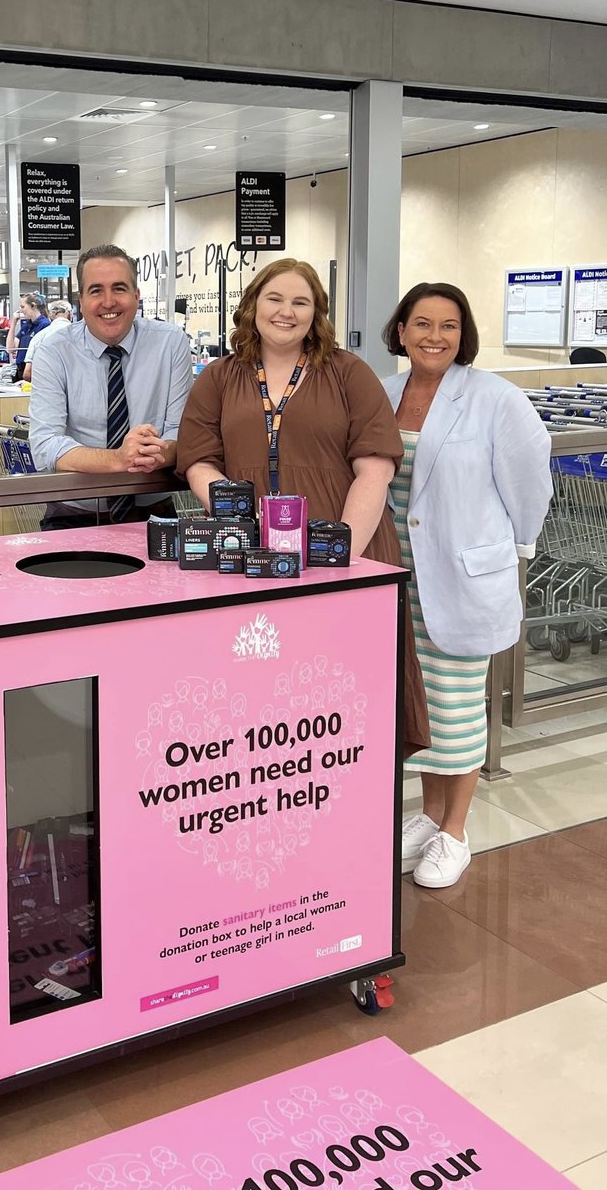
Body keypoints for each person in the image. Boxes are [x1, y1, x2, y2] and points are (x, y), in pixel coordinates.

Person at [176, 257, 430, 757]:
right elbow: (198, 461)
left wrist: (340, 555)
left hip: (349, 548)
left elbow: (376, 466)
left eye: (301, 302)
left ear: (318, 313)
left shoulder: (347, 373)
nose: (286, 312)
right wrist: (239, 518)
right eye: (274, 299)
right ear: (252, 306)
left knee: (347, 690)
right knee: (261, 691)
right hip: (250, 556)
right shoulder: (220, 378)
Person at [381, 282, 552, 889]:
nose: (434, 336)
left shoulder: (496, 400)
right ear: (400, 330)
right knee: (419, 706)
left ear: (464, 334)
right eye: (421, 323)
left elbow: (531, 487)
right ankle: (429, 818)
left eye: (448, 326)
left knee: (456, 709)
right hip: (397, 576)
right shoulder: (383, 392)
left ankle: (455, 831)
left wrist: (509, 554)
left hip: (462, 576)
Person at [30, 244, 192, 528]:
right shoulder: (54, 351)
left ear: (136, 295)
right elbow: (45, 446)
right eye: (96, 291)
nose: (108, 302)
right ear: (81, 300)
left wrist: (154, 454)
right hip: (73, 515)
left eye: (119, 288)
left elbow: (183, 433)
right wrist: (118, 459)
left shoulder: (171, 342)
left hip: (153, 510)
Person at [22, 299, 73, 382]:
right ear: (70, 314)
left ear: (49, 316)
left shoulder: (38, 337)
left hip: (48, 391)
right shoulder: (81, 335)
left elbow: (28, 374)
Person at [5, 293, 50, 381]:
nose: (21, 311)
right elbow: (10, 348)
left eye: (23, 307)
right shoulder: (27, 326)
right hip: (20, 369)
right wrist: (13, 322)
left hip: (32, 369)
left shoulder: (44, 325)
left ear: (33, 306)